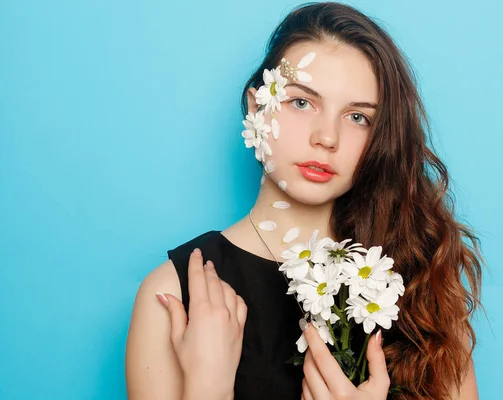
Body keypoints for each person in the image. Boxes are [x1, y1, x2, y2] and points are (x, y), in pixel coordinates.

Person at [125, 2, 483, 399]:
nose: (326, 137)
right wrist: (208, 388)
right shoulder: (174, 294)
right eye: (301, 102)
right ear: (257, 107)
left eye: (357, 117)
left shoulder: (417, 287)